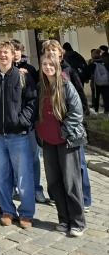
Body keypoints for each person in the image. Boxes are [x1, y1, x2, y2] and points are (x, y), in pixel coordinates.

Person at [0, 40, 37, 229]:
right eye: (1, 52)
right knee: (1, 175)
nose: (3, 55)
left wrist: (22, 120)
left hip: (18, 134)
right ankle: (7, 210)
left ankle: (26, 213)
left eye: (6, 52)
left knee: (23, 176)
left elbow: (31, 101)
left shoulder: (22, 76)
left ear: (13, 55)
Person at [35, 53, 86, 237]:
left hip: (67, 140)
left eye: (51, 64)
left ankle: (77, 222)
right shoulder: (41, 87)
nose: (48, 67)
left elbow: (76, 113)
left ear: (57, 66)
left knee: (70, 182)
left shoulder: (66, 85)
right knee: (54, 181)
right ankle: (63, 219)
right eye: (44, 64)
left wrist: (63, 132)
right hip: (49, 141)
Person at [42, 39, 92, 211]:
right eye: (47, 51)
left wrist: (79, 118)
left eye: (53, 50)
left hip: (70, 129)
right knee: (54, 168)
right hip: (52, 130)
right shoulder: (43, 72)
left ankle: (84, 199)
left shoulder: (69, 70)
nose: (51, 53)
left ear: (60, 54)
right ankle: (57, 197)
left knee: (79, 166)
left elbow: (79, 93)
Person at [10, 39, 45, 204]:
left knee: (33, 157)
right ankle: (13, 186)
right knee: (12, 157)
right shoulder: (5, 69)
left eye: (17, 50)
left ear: (21, 51)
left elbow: (34, 95)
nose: (15, 53)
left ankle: (37, 188)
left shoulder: (30, 69)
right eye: (12, 50)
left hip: (28, 121)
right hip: (11, 121)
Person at [86, 47, 109, 114]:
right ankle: (107, 110)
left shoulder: (92, 64)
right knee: (106, 96)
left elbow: (87, 72)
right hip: (106, 81)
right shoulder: (104, 62)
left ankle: (96, 110)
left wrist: (86, 78)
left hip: (97, 83)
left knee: (96, 96)